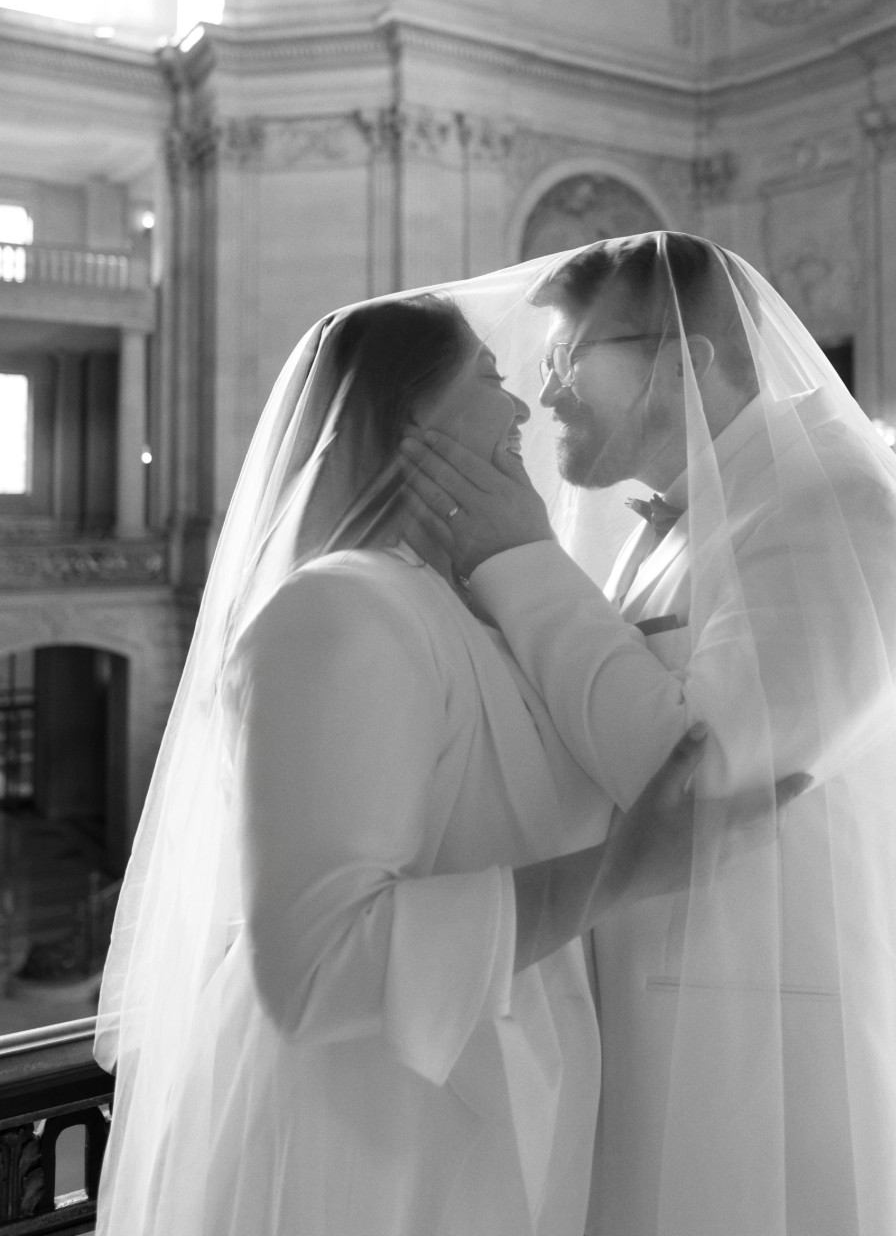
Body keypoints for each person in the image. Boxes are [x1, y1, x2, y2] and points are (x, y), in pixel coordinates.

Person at [401, 232, 896, 1236]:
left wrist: (516, 558)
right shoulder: (689, 518)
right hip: (678, 1030)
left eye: (567, 356)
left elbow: (701, 770)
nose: (543, 396)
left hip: (785, 1064)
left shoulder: (837, 508)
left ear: (679, 357)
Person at [93, 290, 799, 1236]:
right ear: (406, 417)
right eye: (489, 378)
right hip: (367, 1144)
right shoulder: (339, 613)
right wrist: (616, 877)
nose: (519, 410)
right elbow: (313, 968)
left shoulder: (458, 608)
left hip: (484, 1105)